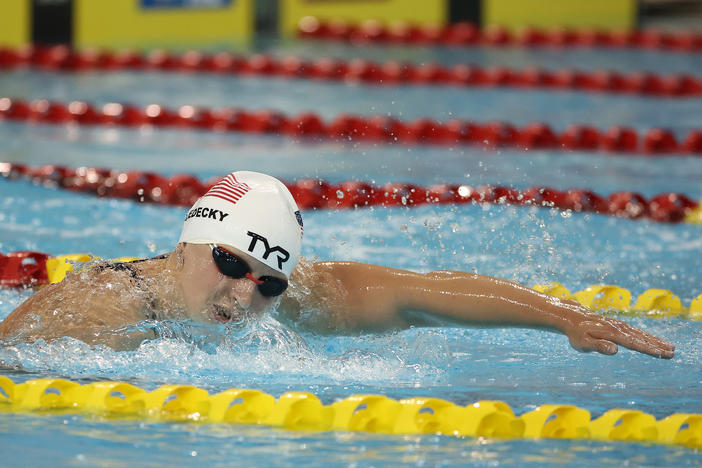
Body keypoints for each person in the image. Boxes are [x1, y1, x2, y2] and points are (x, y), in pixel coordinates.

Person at [0, 171, 675, 358]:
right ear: (186, 246)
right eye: (231, 264)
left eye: (267, 280)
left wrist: (561, 317)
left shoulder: (297, 301)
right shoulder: (104, 309)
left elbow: (423, 294)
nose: (245, 293)